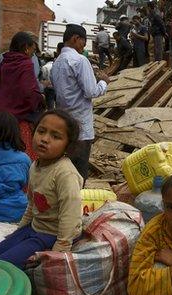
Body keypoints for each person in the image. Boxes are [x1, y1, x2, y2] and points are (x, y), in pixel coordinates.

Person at [0, 110, 83, 268]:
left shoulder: (65, 173)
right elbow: (32, 205)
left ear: (68, 145)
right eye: (41, 131)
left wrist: (60, 249)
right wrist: (18, 232)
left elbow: (71, 215)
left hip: (52, 235)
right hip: (34, 228)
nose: (45, 139)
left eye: (56, 136)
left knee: (3, 265)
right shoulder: (35, 166)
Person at [51, 24, 109, 182]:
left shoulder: (56, 64)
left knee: (65, 171)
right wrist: (104, 82)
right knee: (79, 173)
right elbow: (91, 91)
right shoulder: (79, 60)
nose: (84, 46)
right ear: (75, 38)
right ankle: (77, 204)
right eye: (84, 41)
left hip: (64, 125)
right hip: (81, 128)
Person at [0, 31, 45, 161]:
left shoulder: (4, 63)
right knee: (23, 157)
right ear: (26, 48)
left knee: (0, 156)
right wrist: (40, 99)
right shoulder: (26, 64)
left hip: (0, 118)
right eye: (33, 51)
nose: (32, 54)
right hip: (19, 121)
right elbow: (30, 93)